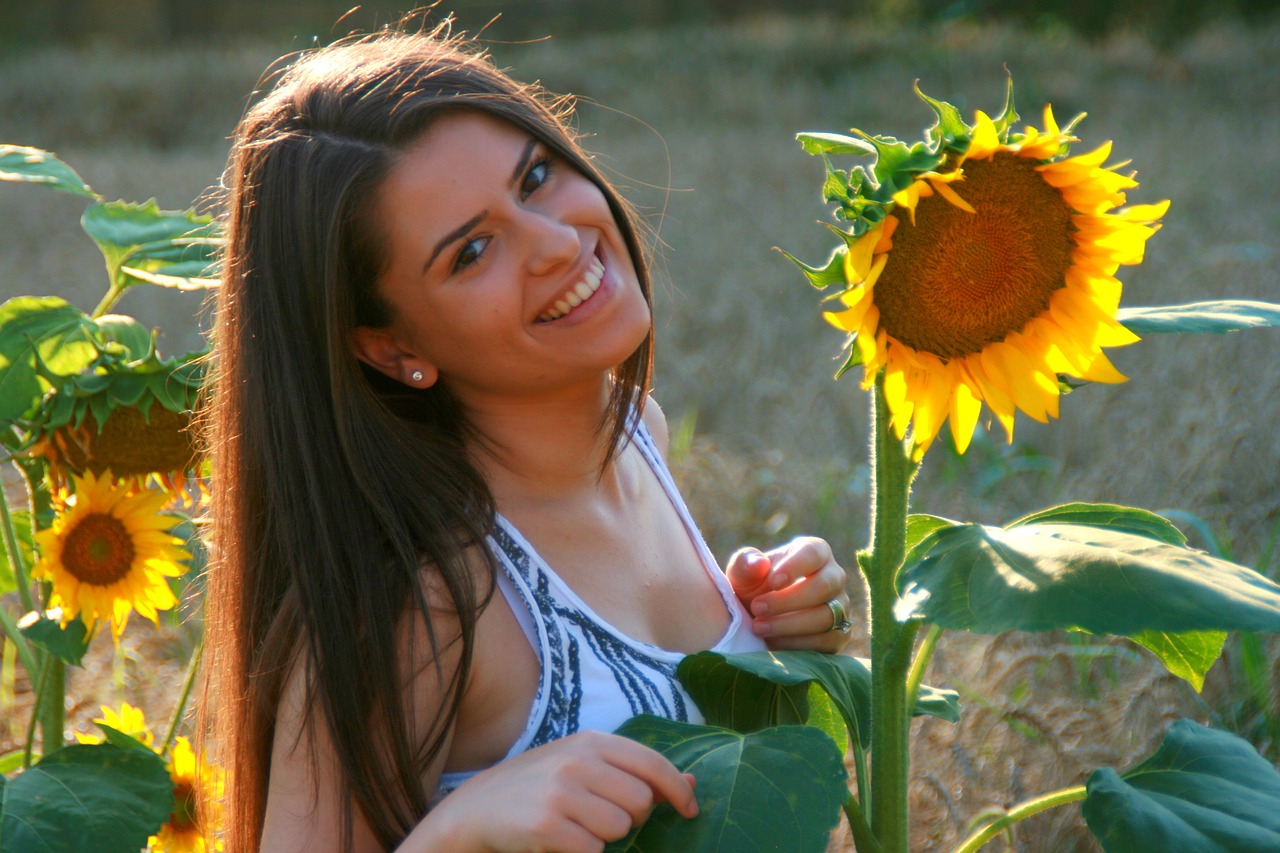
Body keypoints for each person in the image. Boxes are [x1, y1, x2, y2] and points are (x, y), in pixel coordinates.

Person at [202, 20, 854, 853]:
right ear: (393, 347)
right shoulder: (426, 594)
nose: (555, 242)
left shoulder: (637, 435)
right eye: (472, 251)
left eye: (536, 178)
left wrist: (776, 625)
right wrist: (458, 836)